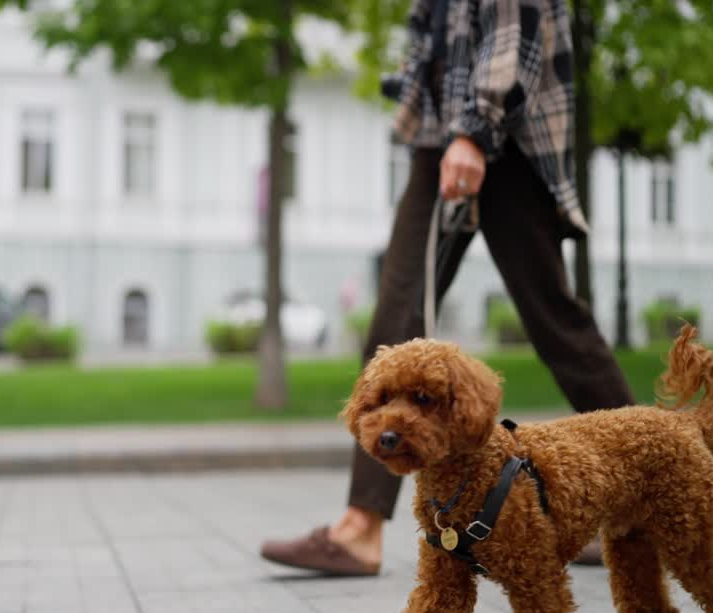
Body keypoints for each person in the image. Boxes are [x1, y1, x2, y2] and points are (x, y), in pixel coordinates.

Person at [260, 0, 634, 576]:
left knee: (556, 321)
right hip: (439, 140)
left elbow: (514, 31)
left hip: (508, 141)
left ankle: (642, 488)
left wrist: (475, 132)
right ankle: (360, 529)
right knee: (394, 321)